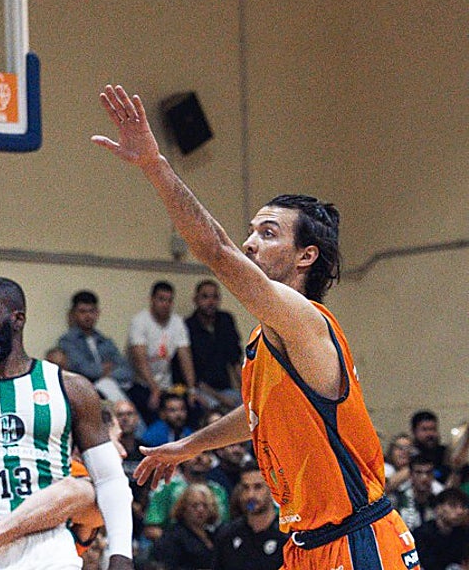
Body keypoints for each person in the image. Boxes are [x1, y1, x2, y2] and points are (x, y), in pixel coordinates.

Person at [93, 84, 418, 570]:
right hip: (305, 544)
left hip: (358, 541)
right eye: (251, 230)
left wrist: (154, 166)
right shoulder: (265, 338)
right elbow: (257, 414)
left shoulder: (306, 320)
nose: (249, 243)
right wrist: (187, 446)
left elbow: (216, 251)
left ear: (306, 256)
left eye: (267, 233)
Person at [0, 276, 134, 570]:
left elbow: (110, 480)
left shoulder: (70, 388)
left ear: (17, 319)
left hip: (49, 555)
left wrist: (120, 555)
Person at [127, 281, 199, 424]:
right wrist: (154, 389)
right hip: (141, 384)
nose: (165, 304)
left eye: (169, 300)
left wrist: (191, 389)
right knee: (152, 410)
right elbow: (140, 360)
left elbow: (185, 357)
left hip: (167, 385)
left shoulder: (177, 322)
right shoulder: (140, 321)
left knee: (194, 409)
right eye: (161, 299)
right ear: (152, 300)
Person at [48, 289, 134, 405]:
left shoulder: (105, 341)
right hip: (85, 391)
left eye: (91, 311)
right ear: (73, 314)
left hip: (114, 386)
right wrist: (106, 369)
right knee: (108, 387)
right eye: (82, 312)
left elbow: (127, 371)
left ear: (97, 313)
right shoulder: (67, 341)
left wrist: (107, 375)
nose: (88, 316)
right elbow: (84, 370)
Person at [184, 280, 243, 412]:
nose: (210, 302)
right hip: (202, 389)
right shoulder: (188, 326)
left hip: (226, 387)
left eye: (215, 297)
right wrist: (220, 398)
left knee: (246, 408)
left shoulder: (226, 321)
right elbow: (192, 374)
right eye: (205, 297)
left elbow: (235, 360)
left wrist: (247, 390)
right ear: (196, 299)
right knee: (212, 408)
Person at [213, 463, 284, 570]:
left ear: (272, 489)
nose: (251, 495)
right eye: (245, 488)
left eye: (258, 487)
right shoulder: (227, 534)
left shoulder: (286, 535)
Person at [150, 484, 220, 570]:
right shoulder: (173, 537)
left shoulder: (214, 535)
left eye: (205, 505)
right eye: (195, 505)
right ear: (184, 508)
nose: (200, 510)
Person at [411, 487, 469, 570]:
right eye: (453, 505)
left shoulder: (463, 534)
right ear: (438, 508)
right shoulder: (421, 535)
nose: (460, 511)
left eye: (463, 506)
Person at [411, 410, 450, 481]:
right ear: (414, 432)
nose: (430, 434)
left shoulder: (446, 454)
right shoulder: (409, 456)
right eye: (424, 429)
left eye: (433, 429)